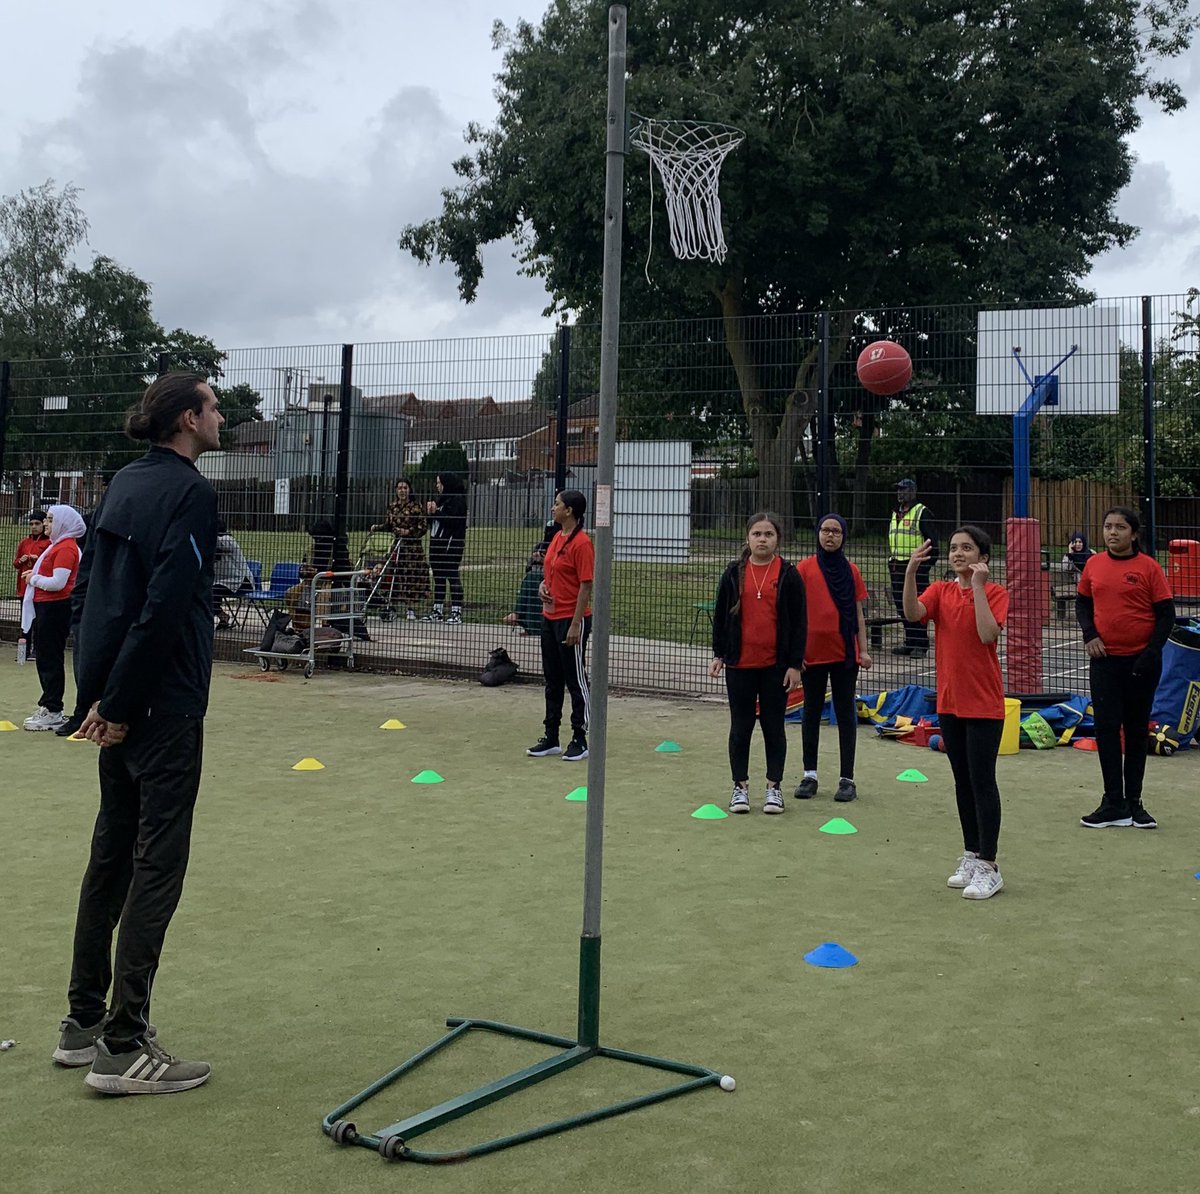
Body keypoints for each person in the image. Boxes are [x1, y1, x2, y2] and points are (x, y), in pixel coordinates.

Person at [53, 372, 222, 1094]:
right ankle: (122, 1045)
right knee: (156, 866)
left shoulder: (123, 483)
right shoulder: (190, 493)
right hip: (162, 706)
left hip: (121, 708)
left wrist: (95, 696)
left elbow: (91, 597)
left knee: (110, 859)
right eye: (213, 406)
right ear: (187, 420)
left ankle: (81, 1024)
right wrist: (116, 702)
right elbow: (161, 605)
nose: (223, 415)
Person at [903, 526, 1009, 900]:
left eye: (967, 548)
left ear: (983, 557)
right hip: (950, 703)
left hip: (984, 705)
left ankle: (989, 865)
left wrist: (978, 588)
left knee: (982, 781)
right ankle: (970, 855)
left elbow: (986, 634)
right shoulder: (941, 591)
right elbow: (913, 612)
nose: (959, 553)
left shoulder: (995, 593)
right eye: (954, 548)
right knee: (962, 782)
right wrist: (912, 572)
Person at [1075, 506, 1175, 829]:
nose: (1112, 532)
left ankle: (1134, 802)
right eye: (1107, 526)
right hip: (1104, 662)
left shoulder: (1148, 568)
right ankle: (1112, 802)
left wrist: (1151, 652)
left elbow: (1166, 615)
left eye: (1120, 527)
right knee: (1106, 730)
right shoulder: (1093, 565)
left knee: (1135, 731)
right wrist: (1089, 634)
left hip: (1141, 664)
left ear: (1134, 533)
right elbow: (1082, 602)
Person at [709, 511, 806, 815]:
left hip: (775, 666)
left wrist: (794, 664)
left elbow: (800, 622)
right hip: (740, 664)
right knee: (741, 726)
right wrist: (719, 654)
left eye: (768, 534)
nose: (762, 539)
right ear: (747, 538)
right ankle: (740, 787)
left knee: (774, 726)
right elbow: (722, 617)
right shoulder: (733, 573)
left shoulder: (789, 575)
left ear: (778, 539)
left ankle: (773, 788)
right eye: (757, 534)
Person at [794, 513, 872, 803]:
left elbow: (858, 615)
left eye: (836, 531)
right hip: (811, 656)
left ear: (844, 536)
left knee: (845, 712)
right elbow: (795, 614)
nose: (830, 536)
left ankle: (847, 780)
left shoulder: (851, 571)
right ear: (817, 533)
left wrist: (863, 650)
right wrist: (795, 653)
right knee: (811, 712)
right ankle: (809, 775)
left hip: (844, 654)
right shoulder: (804, 568)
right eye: (825, 530)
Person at [526, 490, 595, 762]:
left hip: (571, 619)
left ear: (569, 511)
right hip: (550, 617)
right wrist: (544, 587)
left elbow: (586, 584)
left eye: (557, 504)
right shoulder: (556, 537)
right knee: (552, 679)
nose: (553, 508)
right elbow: (549, 572)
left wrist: (576, 623)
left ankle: (580, 736)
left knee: (575, 678)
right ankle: (551, 736)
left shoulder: (582, 544)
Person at [20, 505, 86, 731]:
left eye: (50, 520)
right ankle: (51, 706)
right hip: (47, 607)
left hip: (56, 607)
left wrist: (33, 579)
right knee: (46, 657)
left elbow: (58, 583)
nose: (46, 523)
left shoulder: (66, 548)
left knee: (50, 658)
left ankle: (53, 709)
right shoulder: (56, 546)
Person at [888, 478, 937, 656]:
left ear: (913, 492)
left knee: (918, 605)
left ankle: (921, 643)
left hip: (915, 567)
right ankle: (910, 641)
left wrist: (923, 568)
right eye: (898, 490)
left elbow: (933, 545)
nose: (900, 493)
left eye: (904, 490)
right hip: (896, 566)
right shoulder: (896, 513)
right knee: (902, 606)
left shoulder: (921, 512)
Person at [370, 477, 429, 621]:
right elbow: (388, 525)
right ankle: (392, 605)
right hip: (396, 546)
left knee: (411, 577)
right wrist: (377, 528)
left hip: (411, 548)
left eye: (405, 488)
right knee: (394, 576)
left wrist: (408, 532)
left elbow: (423, 527)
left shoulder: (416, 507)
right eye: (400, 488)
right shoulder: (393, 507)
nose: (402, 491)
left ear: (409, 490)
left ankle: (411, 608)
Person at [423, 473, 468, 624]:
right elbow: (436, 522)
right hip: (437, 545)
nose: (437, 486)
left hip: (450, 546)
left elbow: (452, 521)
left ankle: (456, 612)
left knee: (452, 576)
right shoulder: (443, 500)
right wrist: (430, 513)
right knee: (438, 578)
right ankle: (438, 610)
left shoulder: (458, 500)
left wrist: (437, 512)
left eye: (439, 483)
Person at [503, 521, 556, 635]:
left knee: (533, 579)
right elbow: (528, 567)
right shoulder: (540, 546)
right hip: (537, 577)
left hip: (553, 578)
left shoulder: (560, 545)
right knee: (530, 579)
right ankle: (524, 621)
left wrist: (544, 560)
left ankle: (518, 615)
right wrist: (535, 559)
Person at [13, 508, 50, 661]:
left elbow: (49, 564)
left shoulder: (48, 543)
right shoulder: (24, 542)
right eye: (31, 524)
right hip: (24, 589)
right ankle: (22, 653)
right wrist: (20, 560)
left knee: (39, 622)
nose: (34, 527)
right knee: (25, 621)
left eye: (37, 523)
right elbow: (15, 564)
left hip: (39, 589)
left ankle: (37, 651)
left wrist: (38, 558)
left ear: (43, 524)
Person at [212, 519, 255, 629]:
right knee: (205, 592)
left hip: (243, 581)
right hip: (222, 582)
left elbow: (220, 544)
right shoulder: (210, 544)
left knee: (212, 592)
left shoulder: (228, 540)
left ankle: (210, 620)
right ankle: (223, 616)